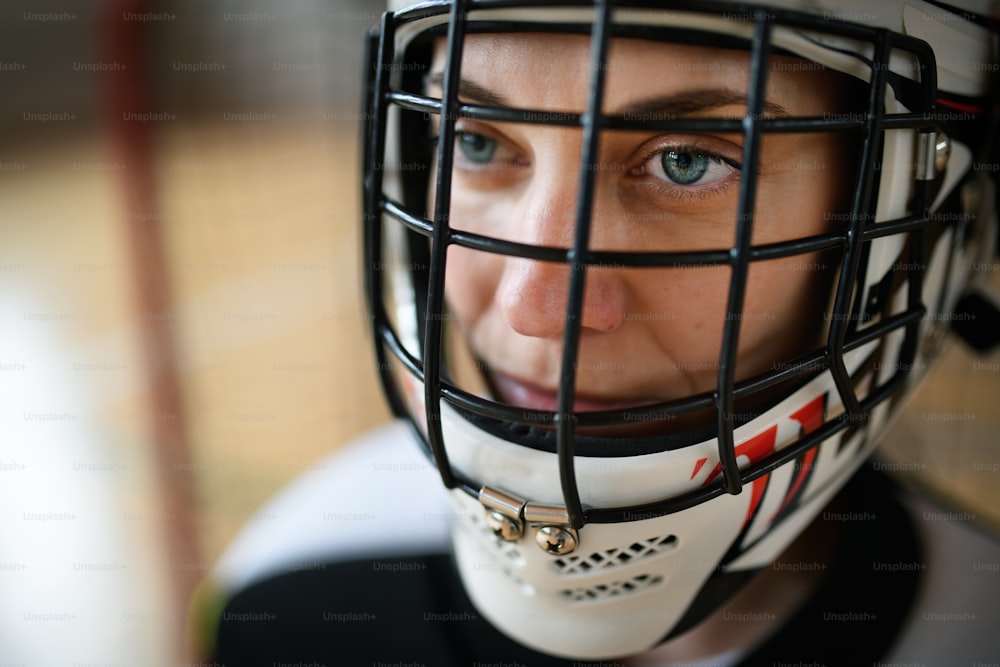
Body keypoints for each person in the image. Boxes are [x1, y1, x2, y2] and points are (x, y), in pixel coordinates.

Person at [198, 1, 1000, 664]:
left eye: (687, 161)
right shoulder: (296, 590)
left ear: (918, 220)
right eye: (475, 141)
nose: (533, 304)